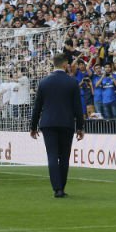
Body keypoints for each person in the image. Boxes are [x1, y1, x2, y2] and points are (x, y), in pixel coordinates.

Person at [30, 53, 85, 198]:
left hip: (48, 123)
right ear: (65, 64)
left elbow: (37, 107)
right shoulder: (72, 82)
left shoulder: (44, 82)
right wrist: (80, 127)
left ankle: (57, 188)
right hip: (66, 123)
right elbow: (78, 107)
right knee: (64, 157)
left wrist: (33, 126)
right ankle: (62, 187)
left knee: (52, 156)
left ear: (53, 64)